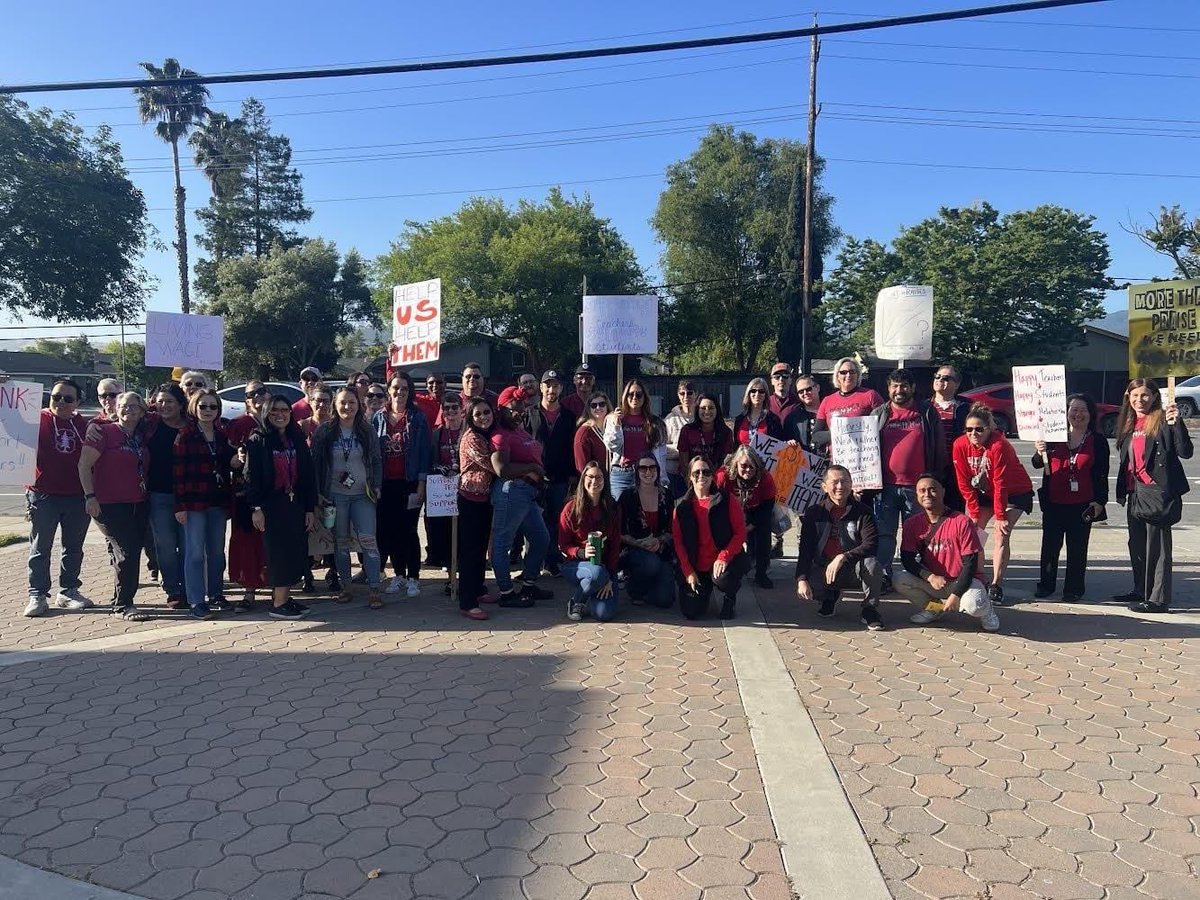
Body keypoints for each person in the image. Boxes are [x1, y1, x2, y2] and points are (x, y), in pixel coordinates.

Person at [1113, 379, 1193, 613]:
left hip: (1157, 492)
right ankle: (1141, 589)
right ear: (1128, 397)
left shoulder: (1163, 421)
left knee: (1158, 548)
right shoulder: (1128, 423)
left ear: (1155, 397)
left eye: (1145, 395)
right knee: (1137, 545)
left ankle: (1158, 599)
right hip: (1135, 491)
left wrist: (1176, 423)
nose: (1140, 400)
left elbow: (1185, 452)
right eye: (1135, 395)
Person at [895, 473, 1001, 632]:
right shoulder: (911, 524)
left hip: (963, 581)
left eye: (932, 489)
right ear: (916, 495)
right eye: (922, 491)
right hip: (935, 580)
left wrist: (956, 595)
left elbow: (970, 563)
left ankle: (986, 610)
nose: (927, 494)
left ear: (943, 492)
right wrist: (929, 576)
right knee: (899, 579)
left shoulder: (961, 521)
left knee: (974, 606)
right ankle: (934, 608)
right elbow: (907, 559)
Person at [951, 403, 1034, 607]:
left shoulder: (1000, 446)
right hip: (984, 492)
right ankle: (979, 577)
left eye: (979, 429)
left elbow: (1001, 483)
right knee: (974, 531)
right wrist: (975, 511)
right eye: (969, 429)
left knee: (1001, 532)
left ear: (989, 429)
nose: (974, 434)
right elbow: (963, 481)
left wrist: (1001, 516)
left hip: (1014, 491)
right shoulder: (960, 445)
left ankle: (996, 583)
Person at [870, 369, 947, 585]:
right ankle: (883, 576)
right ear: (888, 389)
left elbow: (939, 448)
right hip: (885, 487)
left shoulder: (927, 412)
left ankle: (922, 576)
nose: (899, 390)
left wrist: (936, 480)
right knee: (885, 535)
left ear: (912, 388)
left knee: (920, 535)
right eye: (894, 386)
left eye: (904, 386)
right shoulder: (879, 414)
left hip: (918, 488)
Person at [78, 392, 151, 621]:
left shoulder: (141, 436)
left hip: (137, 502)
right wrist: (90, 496)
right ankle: (123, 604)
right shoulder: (104, 432)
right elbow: (83, 465)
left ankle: (123, 599)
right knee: (126, 551)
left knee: (132, 551)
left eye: (133, 406)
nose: (128, 409)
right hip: (108, 504)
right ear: (115, 409)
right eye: (123, 405)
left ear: (142, 411)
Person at [1032, 393, 1110, 603]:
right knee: (1050, 546)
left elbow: (1102, 473)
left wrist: (1100, 501)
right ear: (1066, 413)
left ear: (1090, 414)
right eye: (1074, 410)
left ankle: (1074, 588)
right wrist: (1040, 452)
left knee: (1077, 548)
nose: (1078, 414)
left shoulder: (1098, 441)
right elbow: (1037, 464)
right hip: (1054, 502)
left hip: (1082, 504)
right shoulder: (1052, 436)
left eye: (1083, 410)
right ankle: (1046, 584)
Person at [24, 378, 92, 617]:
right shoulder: (35, 419)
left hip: (77, 496)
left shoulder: (84, 425)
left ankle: (68, 591)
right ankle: (37, 595)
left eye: (68, 398)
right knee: (40, 548)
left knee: (73, 548)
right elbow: (7, 418)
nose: (61, 402)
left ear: (78, 402)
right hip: (43, 495)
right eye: (56, 397)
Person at [245, 395, 316, 621]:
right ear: (266, 413)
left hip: (295, 504)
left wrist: (309, 509)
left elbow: (308, 476)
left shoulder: (297, 438)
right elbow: (251, 477)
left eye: (284, 410)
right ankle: (278, 604)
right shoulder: (257, 440)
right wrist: (256, 508)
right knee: (278, 553)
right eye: (274, 410)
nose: (280, 414)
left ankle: (284, 597)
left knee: (295, 551)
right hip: (271, 506)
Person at [312, 386, 384, 608]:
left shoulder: (366, 430)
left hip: (363, 495)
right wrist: (318, 492)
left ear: (358, 405)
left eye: (352, 402)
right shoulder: (324, 431)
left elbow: (376, 459)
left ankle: (374, 588)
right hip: (335, 496)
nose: (347, 407)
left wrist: (377, 485)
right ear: (335, 404)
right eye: (343, 402)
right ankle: (346, 586)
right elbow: (315, 464)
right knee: (340, 543)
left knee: (369, 542)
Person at [794, 465, 885, 630]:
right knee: (809, 582)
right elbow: (805, 549)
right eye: (834, 482)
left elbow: (871, 544)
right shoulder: (814, 513)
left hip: (853, 568)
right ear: (824, 487)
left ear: (851, 484)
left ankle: (869, 609)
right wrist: (801, 579)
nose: (840, 487)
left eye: (844, 481)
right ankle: (828, 597)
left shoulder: (863, 512)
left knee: (873, 565)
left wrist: (843, 556)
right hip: (824, 567)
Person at [174, 389, 238, 619]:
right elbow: (178, 474)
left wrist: (237, 460)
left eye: (213, 406)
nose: (208, 410)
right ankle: (196, 601)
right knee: (194, 554)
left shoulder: (222, 435)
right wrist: (179, 506)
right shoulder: (186, 435)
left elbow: (228, 463)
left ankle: (216, 594)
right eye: (203, 406)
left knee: (216, 552)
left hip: (218, 502)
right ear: (194, 407)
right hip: (193, 503)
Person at [489, 386, 554, 607]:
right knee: (502, 542)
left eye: (522, 409)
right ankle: (506, 592)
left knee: (541, 538)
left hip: (527, 494)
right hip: (512, 491)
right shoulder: (500, 434)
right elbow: (501, 469)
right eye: (513, 409)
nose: (519, 413)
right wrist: (532, 468)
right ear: (501, 409)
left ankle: (528, 583)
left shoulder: (519, 430)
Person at [373, 371, 432, 597]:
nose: (399, 392)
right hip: (386, 484)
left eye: (404, 388)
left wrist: (421, 485)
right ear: (389, 390)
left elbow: (425, 453)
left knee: (409, 531)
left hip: (410, 483)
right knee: (390, 531)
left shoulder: (418, 418)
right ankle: (398, 575)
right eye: (396, 388)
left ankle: (413, 577)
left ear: (410, 391)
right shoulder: (378, 417)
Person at [673, 455, 752, 621]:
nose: (701, 476)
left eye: (706, 472)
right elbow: (678, 542)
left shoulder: (726, 499)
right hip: (696, 565)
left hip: (722, 562)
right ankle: (705, 589)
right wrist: (688, 571)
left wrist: (724, 557)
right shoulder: (681, 506)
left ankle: (730, 597)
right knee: (691, 611)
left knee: (723, 580)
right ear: (689, 477)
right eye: (696, 473)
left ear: (712, 476)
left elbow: (740, 532)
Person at [558, 462, 622, 622]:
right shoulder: (571, 508)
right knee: (596, 573)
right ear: (583, 479)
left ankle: (595, 586)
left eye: (599, 477)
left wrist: (611, 576)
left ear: (605, 480)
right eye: (590, 477)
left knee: (603, 614)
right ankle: (576, 602)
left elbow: (615, 545)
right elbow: (562, 545)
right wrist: (579, 552)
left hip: (604, 568)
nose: (595, 481)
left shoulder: (612, 508)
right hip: (575, 564)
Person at [142, 384, 188, 610]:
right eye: (159, 401)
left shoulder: (192, 426)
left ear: (180, 404)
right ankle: (173, 590)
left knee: (189, 546)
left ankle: (190, 587)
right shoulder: (150, 424)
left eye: (169, 401)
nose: (163, 406)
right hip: (159, 495)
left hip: (189, 496)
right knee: (166, 546)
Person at [528, 370, 576, 576]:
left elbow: (572, 448)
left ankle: (552, 560)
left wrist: (573, 476)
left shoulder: (569, 416)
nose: (551, 389)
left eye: (555, 385)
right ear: (541, 387)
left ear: (561, 388)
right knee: (533, 522)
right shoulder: (529, 413)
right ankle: (532, 564)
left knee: (556, 520)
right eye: (547, 385)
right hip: (534, 478)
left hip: (560, 477)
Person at [227, 381, 270, 610]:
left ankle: (278, 588)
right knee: (246, 541)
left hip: (275, 493)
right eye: (251, 394)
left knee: (272, 542)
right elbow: (228, 459)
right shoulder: (238, 424)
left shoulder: (278, 420)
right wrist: (235, 460)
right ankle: (249, 591)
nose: (257, 397)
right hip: (245, 493)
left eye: (261, 391)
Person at [618, 453, 676, 609]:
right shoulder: (627, 496)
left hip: (661, 550)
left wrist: (660, 540)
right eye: (643, 468)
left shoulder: (667, 495)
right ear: (637, 471)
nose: (648, 472)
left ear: (658, 470)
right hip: (634, 550)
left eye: (652, 468)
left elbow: (673, 529)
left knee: (665, 600)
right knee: (651, 563)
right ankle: (634, 588)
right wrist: (639, 543)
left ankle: (650, 587)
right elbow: (618, 531)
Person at [715, 446, 778, 589]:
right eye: (743, 466)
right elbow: (716, 502)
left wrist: (751, 525)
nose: (748, 470)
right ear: (736, 464)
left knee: (763, 534)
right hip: (728, 511)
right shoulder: (723, 476)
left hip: (755, 510)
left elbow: (767, 506)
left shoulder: (765, 477)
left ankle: (761, 573)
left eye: (752, 466)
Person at [457, 398, 497, 620]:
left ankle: (479, 589)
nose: (483, 417)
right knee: (470, 551)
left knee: (481, 547)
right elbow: (492, 464)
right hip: (470, 499)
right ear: (471, 419)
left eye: (486, 412)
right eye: (478, 414)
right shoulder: (472, 438)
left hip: (485, 500)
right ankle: (467, 601)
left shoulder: (487, 435)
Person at [604, 379, 667, 501]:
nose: (634, 397)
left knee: (644, 513)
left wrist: (663, 478)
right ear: (625, 396)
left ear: (645, 398)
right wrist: (617, 425)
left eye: (638, 395)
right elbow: (612, 446)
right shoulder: (614, 418)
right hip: (622, 473)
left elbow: (661, 453)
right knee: (619, 512)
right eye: (630, 394)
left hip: (646, 472)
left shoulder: (655, 422)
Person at [425, 392, 464, 571]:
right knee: (444, 530)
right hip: (444, 488)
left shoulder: (469, 430)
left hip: (465, 486)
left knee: (464, 529)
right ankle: (449, 566)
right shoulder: (437, 434)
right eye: (446, 408)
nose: (451, 411)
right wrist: (441, 469)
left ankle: (462, 564)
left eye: (454, 407)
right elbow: (431, 460)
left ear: (462, 408)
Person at [814, 358, 885, 447]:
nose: (848, 375)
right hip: (837, 458)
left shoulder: (871, 395)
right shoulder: (827, 401)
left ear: (858, 375)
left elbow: (885, 425)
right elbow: (816, 436)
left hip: (866, 456)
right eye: (843, 372)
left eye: (852, 372)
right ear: (837, 376)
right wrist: (840, 433)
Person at [930, 365, 970, 511]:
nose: (940, 380)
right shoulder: (924, 407)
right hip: (931, 467)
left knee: (955, 512)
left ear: (957, 384)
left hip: (956, 468)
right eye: (937, 376)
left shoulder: (966, 408)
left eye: (946, 378)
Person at [677, 393, 734, 475]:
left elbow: (727, 461)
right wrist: (690, 481)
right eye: (703, 408)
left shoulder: (726, 432)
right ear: (697, 410)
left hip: (716, 478)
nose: (707, 412)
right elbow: (683, 462)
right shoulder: (687, 430)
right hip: (692, 477)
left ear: (717, 410)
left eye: (711, 408)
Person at [663, 380, 697, 495]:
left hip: (697, 472)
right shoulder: (670, 419)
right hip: (674, 473)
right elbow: (661, 447)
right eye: (682, 393)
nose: (686, 396)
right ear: (678, 395)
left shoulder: (701, 417)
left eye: (690, 393)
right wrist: (682, 450)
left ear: (695, 394)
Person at [734, 377, 785, 447]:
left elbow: (778, 446)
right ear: (748, 393)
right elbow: (735, 447)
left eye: (761, 391)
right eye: (753, 391)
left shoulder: (773, 420)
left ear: (766, 395)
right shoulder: (739, 420)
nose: (757, 394)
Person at [573, 392, 612, 475]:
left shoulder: (612, 428)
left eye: (602, 404)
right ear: (589, 409)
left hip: (614, 480)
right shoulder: (584, 433)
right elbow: (582, 466)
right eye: (594, 405)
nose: (598, 408)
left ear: (607, 406)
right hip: (595, 481)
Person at [782, 373, 821, 450]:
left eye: (808, 389)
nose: (805, 393)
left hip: (830, 460)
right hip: (804, 460)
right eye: (800, 392)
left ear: (817, 387)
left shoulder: (831, 411)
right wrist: (789, 443)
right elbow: (785, 441)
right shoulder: (792, 418)